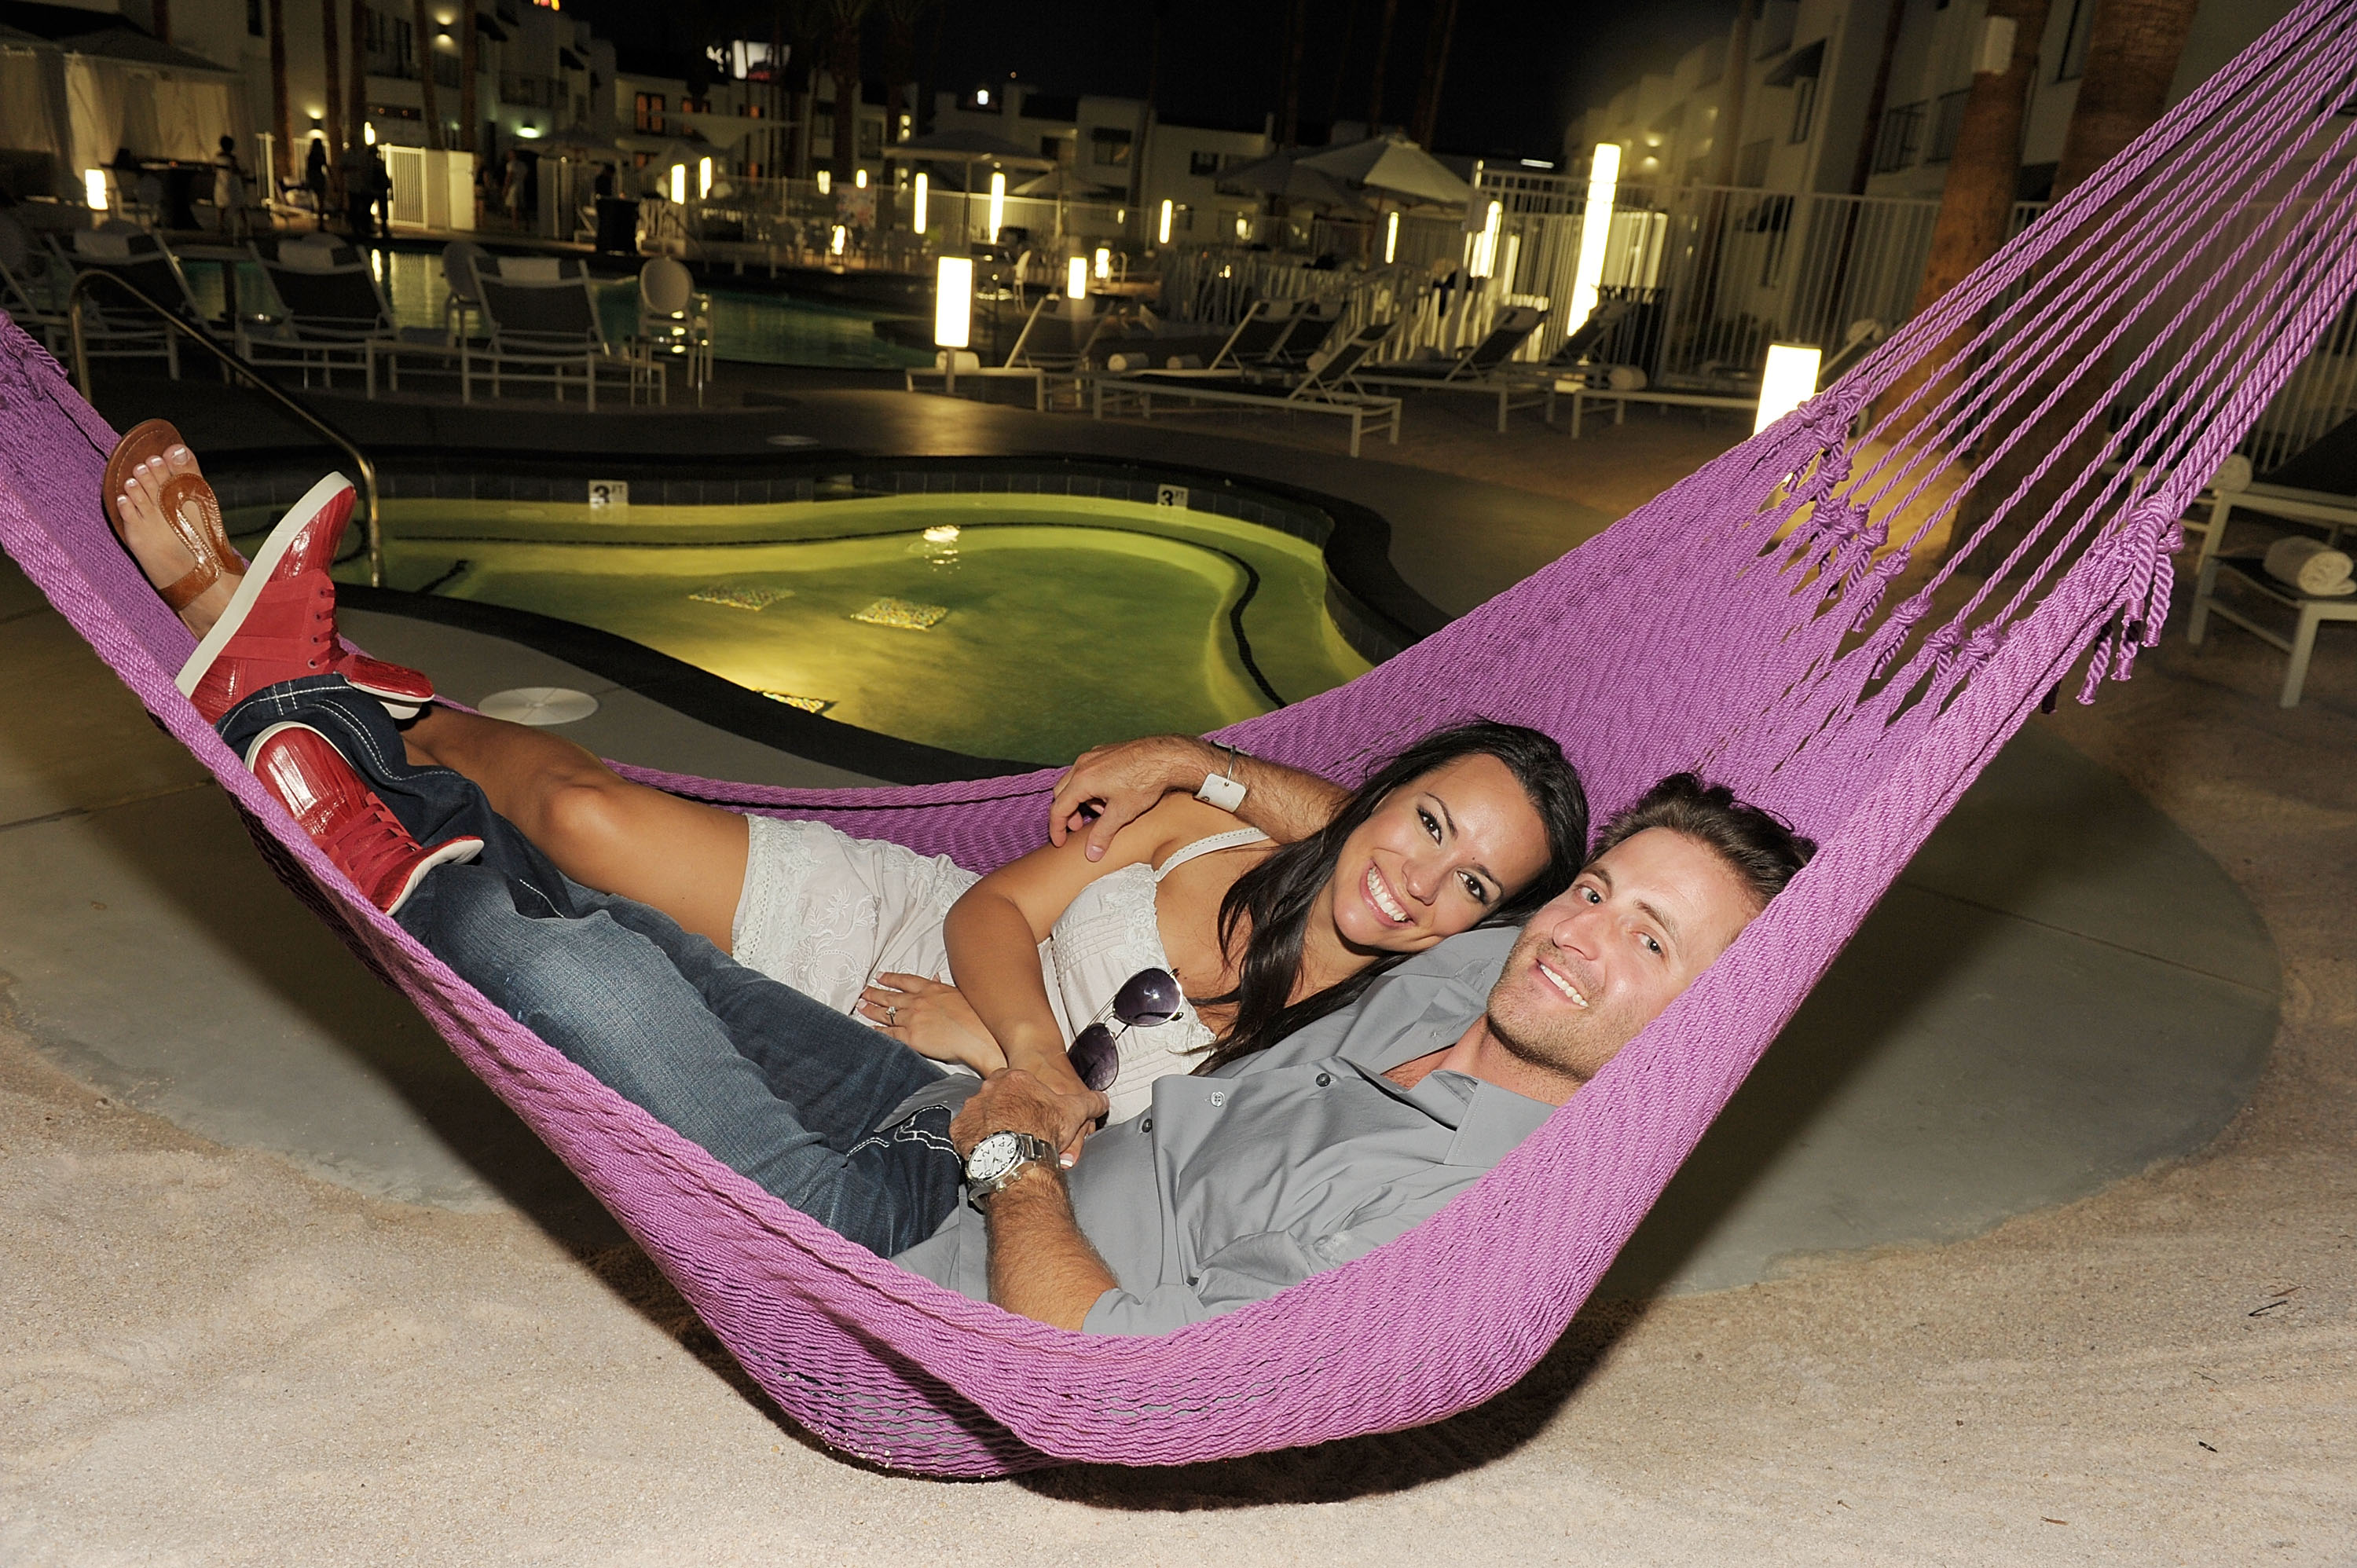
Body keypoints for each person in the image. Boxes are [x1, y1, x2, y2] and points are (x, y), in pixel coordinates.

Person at [114, 452, 1814, 1334]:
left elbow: (1105, 1323)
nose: (1564, 926)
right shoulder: (1481, 957)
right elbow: (1395, 841)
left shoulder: (1451, 1072)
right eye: (1588, 894)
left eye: (1635, 933)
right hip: (956, 1057)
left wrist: (1021, 1122)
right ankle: (311, 693)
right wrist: (1202, 764)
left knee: (568, 961)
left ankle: (289, 720)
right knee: (582, 840)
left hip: (971, 1186)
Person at [109, 441, 1589, 1126]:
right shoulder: (1208, 829)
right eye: (1429, 817)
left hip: (920, 1097)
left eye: (1474, 882)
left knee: (543, 929)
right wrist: (1028, 1031)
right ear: (1380, 790)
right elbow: (995, 916)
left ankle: (318, 710)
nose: (1421, 873)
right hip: (901, 934)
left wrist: (1024, 1076)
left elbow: (1178, 1149)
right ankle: (352, 693)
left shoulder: (1392, 1017)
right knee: (584, 819)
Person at [212, 136, 250, 240]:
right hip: (232, 185)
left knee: (221, 208)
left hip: (220, 185)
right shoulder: (232, 159)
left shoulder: (217, 158)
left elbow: (214, 169)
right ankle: (246, 227)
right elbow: (235, 171)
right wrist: (244, 173)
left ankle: (220, 227)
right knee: (240, 206)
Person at [303, 136, 330, 232]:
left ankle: (320, 223)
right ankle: (321, 223)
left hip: (314, 178)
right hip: (318, 178)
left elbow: (308, 170)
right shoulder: (320, 155)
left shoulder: (311, 156)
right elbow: (326, 167)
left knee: (318, 201)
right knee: (321, 202)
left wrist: (308, 180)